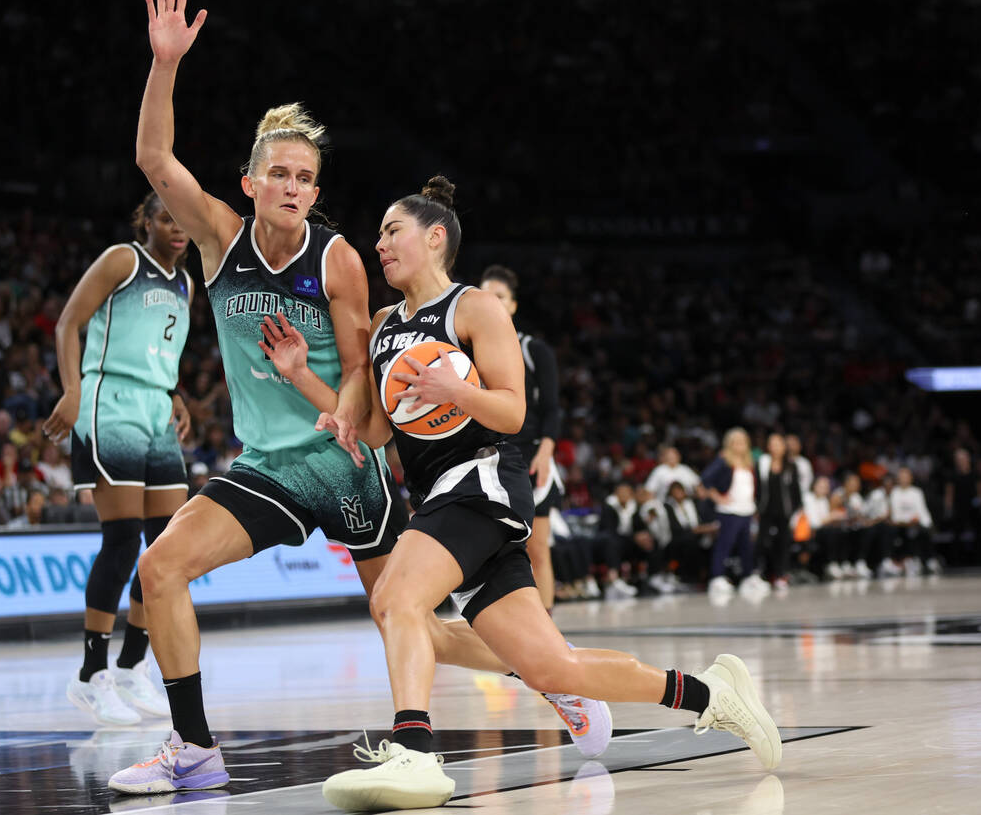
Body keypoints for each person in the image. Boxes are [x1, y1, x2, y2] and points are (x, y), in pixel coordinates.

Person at [107, 0, 605, 796]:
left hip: (345, 464)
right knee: (159, 570)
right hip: (268, 463)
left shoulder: (335, 258)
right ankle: (193, 747)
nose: (296, 186)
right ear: (251, 182)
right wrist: (164, 66)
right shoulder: (219, 239)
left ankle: (548, 675)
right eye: (281, 173)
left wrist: (326, 402)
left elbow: (362, 382)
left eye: (306, 176)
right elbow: (154, 158)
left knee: (407, 621)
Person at [317, 177, 780, 811]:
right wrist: (307, 386)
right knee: (553, 668)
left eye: (391, 231)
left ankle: (415, 751)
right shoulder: (380, 325)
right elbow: (373, 429)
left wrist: (456, 392)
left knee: (395, 598)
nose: (380, 244)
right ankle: (709, 694)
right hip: (438, 497)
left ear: (434, 237)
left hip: (481, 480)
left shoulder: (473, 308)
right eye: (377, 235)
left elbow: (510, 411)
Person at [42, 190, 193, 726]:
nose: (177, 227)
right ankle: (90, 674)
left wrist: (174, 395)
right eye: (165, 217)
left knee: (170, 547)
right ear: (145, 220)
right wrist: (72, 389)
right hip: (111, 402)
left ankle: (132, 668)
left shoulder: (186, 282)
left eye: (182, 221)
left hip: (156, 408)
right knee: (123, 539)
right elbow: (67, 324)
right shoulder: (122, 259)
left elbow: (160, 348)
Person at [479, 265, 562, 613]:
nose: (491, 303)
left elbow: (553, 408)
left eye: (499, 297)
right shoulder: (466, 348)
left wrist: (545, 452)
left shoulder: (534, 349)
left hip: (530, 457)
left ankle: (549, 633)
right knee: (488, 549)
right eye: (484, 296)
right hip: (485, 458)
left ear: (512, 306)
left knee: (538, 549)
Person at [701, 428, 769, 597]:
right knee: (725, 545)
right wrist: (718, 497)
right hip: (729, 511)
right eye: (736, 443)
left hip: (747, 510)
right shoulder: (724, 460)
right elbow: (706, 479)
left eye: (743, 442)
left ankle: (748, 576)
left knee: (747, 546)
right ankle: (717, 577)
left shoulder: (749, 462)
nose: (740, 446)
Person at [755, 433, 802, 589]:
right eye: (772, 444)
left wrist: (797, 510)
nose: (775, 447)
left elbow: (795, 490)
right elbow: (757, 488)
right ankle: (760, 573)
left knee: (783, 543)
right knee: (763, 542)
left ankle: (782, 574)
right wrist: (756, 507)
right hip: (765, 510)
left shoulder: (791, 465)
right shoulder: (762, 463)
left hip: (784, 511)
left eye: (778, 444)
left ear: (783, 447)